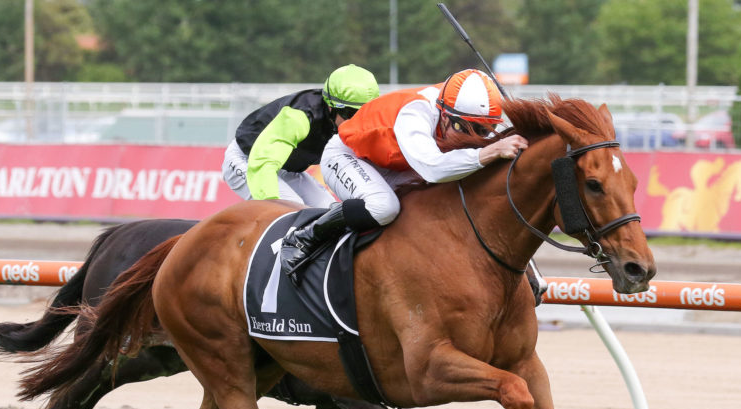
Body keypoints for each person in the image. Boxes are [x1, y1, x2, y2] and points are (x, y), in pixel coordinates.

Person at [280, 69, 529, 277]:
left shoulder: (460, 108)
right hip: (349, 155)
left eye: (483, 131)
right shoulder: (417, 111)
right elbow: (434, 169)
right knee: (383, 207)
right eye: (461, 127)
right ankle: (307, 236)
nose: (472, 138)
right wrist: (490, 151)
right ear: (443, 114)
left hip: (397, 163)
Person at [221, 64, 380, 208]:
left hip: (287, 168)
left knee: (327, 210)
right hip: (249, 160)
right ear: (330, 106)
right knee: (292, 210)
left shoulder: (355, 123)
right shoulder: (300, 116)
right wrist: (275, 207)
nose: (355, 122)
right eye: (350, 113)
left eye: (363, 115)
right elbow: (262, 163)